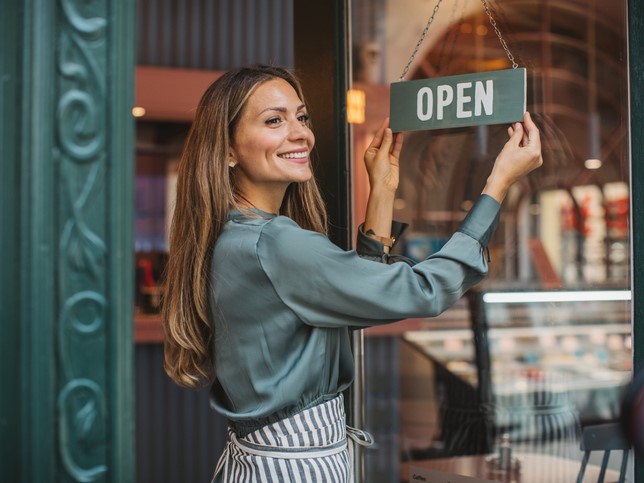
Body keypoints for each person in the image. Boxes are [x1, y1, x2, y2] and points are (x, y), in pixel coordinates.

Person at [162, 64, 543, 482]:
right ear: (228, 150)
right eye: (274, 120)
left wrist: (381, 190)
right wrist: (498, 184)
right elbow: (424, 291)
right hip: (297, 469)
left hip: (263, 459)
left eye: (301, 117)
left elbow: (361, 293)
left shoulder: (234, 236)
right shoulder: (276, 243)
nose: (300, 132)